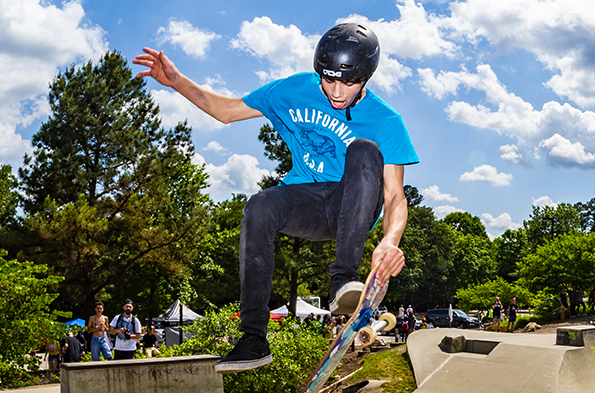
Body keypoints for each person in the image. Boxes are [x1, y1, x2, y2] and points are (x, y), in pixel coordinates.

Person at [135, 22, 416, 373]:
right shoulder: (293, 90)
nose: (337, 91)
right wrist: (176, 81)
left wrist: (390, 240)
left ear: (366, 78)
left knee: (363, 150)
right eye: (329, 80)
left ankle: (344, 280)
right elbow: (227, 111)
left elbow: (393, 197)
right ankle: (253, 338)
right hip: (309, 203)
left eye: (349, 83)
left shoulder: (386, 120)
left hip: (354, 205)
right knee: (260, 205)